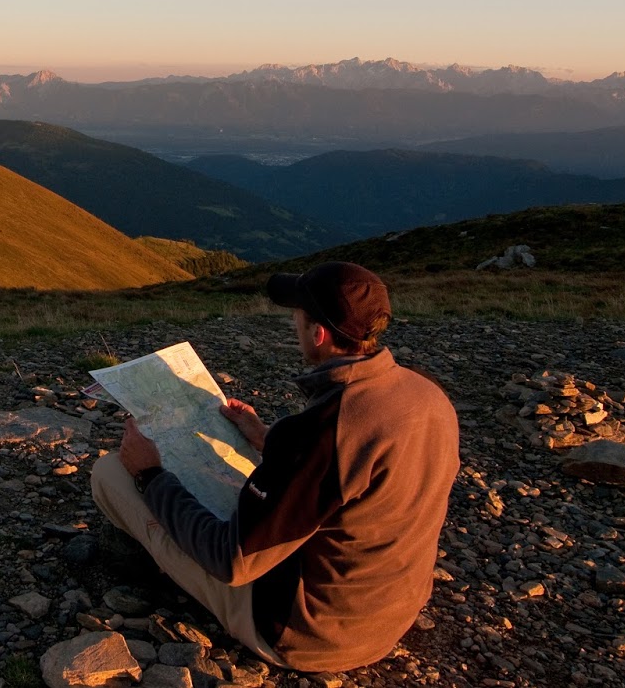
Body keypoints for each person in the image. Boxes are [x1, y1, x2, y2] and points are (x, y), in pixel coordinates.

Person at [90, 261, 459, 673]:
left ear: (317, 333)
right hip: (389, 614)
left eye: (297, 317)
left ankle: (148, 566)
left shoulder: (320, 433)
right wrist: (266, 438)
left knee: (110, 473)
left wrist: (150, 475)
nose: (293, 325)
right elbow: (355, 477)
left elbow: (231, 561)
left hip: (309, 636)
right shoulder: (427, 395)